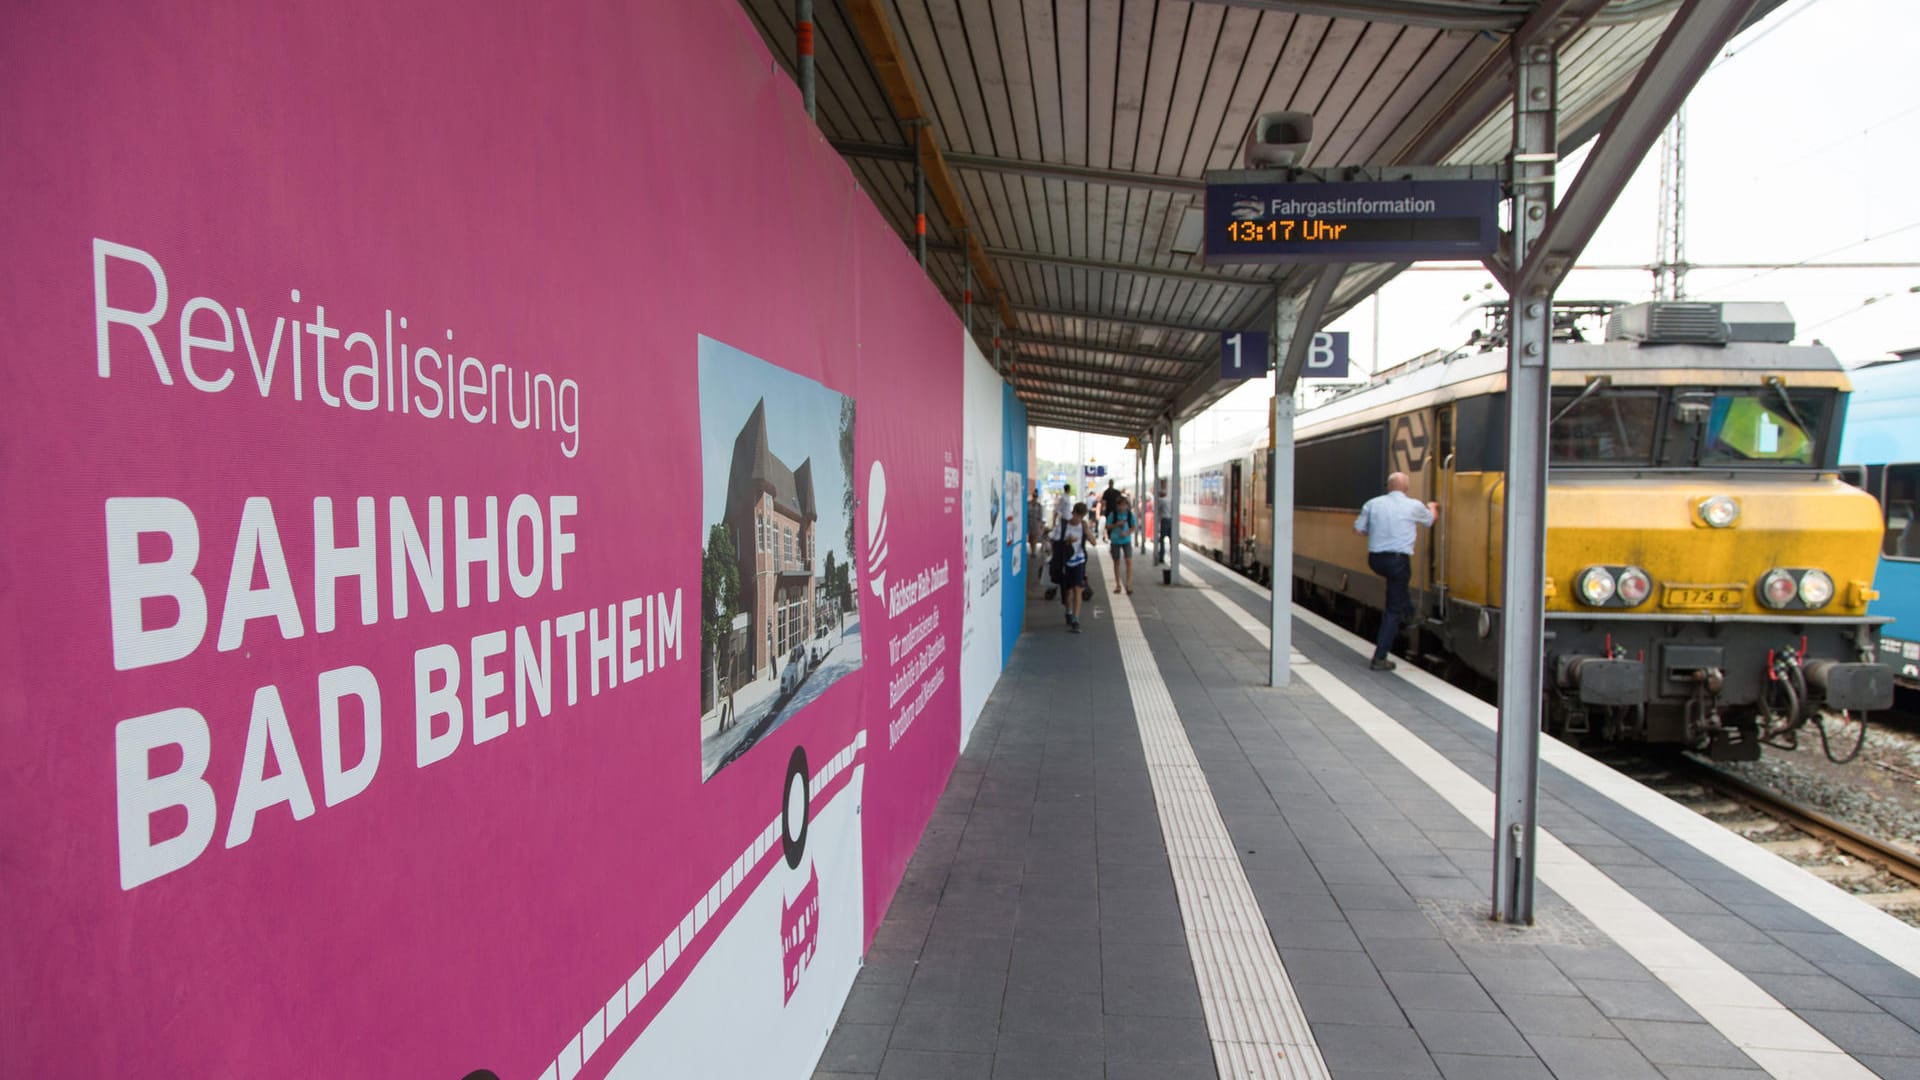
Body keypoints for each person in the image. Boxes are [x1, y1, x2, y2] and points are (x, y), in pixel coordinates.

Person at [1353, 472, 1438, 671]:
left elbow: (1358, 529)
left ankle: (1409, 613)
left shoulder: (1372, 503)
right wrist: (1433, 508)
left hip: (1376, 560)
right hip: (1398, 561)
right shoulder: (1414, 506)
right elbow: (1430, 521)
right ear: (1406, 489)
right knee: (1393, 609)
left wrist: (1372, 532)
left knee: (1398, 586)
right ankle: (1380, 657)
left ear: (1388, 487)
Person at [1058, 502, 1090, 631]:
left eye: (1081, 517)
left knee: (1078, 588)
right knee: (1068, 590)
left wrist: (1087, 531)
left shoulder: (1083, 525)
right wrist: (1067, 541)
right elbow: (1055, 540)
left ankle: (1076, 619)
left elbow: (1093, 542)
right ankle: (1068, 611)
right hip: (1066, 561)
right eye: (1077, 516)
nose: (1078, 519)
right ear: (1073, 513)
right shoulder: (1064, 525)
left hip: (1079, 560)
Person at [1107, 494, 1137, 595]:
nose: (1123, 507)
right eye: (1121, 505)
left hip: (1126, 540)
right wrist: (1117, 524)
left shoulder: (1129, 515)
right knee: (1116, 562)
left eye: (1124, 505)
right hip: (1115, 541)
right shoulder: (1113, 515)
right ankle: (1118, 585)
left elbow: (1133, 527)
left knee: (1128, 561)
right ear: (1117, 506)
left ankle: (1128, 585)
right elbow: (1108, 526)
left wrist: (1127, 533)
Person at [1153, 481, 1170, 565]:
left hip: (1164, 520)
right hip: (1171, 520)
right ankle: (1173, 557)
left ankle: (1161, 557)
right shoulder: (1170, 499)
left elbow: (1156, 510)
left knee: (1161, 539)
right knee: (1172, 540)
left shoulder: (1161, 501)